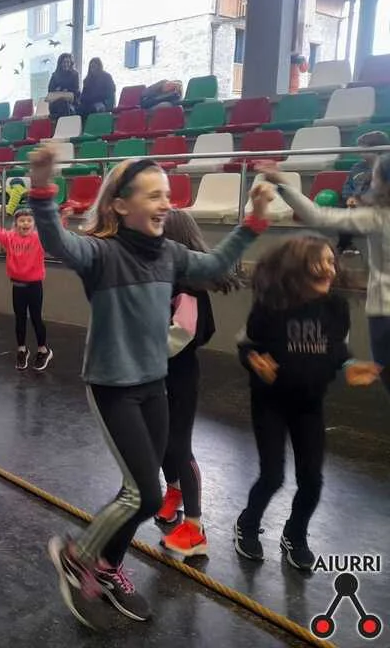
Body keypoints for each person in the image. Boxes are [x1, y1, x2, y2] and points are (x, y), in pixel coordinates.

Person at [27, 146, 274, 629]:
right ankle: (77, 555)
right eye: (154, 195)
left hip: (154, 385)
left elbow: (214, 264)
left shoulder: (169, 254)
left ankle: (107, 567)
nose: (166, 204)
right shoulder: (101, 254)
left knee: (145, 492)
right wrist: (41, 188)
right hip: (113, 387)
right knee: (141, 495)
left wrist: (254, 221)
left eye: (167, 195)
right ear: (120, 205)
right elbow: (57, 240)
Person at [234, 236, 380, 571]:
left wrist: (349, 366)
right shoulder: (270, 306)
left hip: (310, 405)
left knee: (312, 480)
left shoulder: (336, 308)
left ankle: (295, 535)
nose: (330, 269)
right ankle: (247, 524)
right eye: (320, 262)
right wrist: (254, 360)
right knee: (272, 476)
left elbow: (338, 351)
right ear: (296, 270)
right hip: (270, 403)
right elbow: (246, 345)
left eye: (332, 262)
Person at [258, 156, 390, 394]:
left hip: (385, 314)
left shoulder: (378, 217)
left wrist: (280, 181)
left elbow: (318, 216)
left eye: (376, 177)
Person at [155, 210, 243, 557]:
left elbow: (183, 334)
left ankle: (194, 527)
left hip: (179, 373)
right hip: (158, 373)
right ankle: (173, 490)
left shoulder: (187, 285)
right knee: (162, 439)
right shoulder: (164, 275)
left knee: (180, 445)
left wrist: (143, 351)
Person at [0, 202, 52, 371]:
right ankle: (22, 349)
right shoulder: (9, 238)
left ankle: (43, 350)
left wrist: (64, 217)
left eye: (29, 220)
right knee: (20, 318)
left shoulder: (39, 238)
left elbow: (55, 233)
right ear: (16, 223)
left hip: (34, 286)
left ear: (34, 223)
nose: (26, 223)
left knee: (36, 318)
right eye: (22, 220)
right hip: (18, 286)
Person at [338, 131, 388, 255]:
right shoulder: (357, 167)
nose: (359, 151)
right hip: (355, 201)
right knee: (341, 208)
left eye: (363, 148)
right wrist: (349, 197)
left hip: (376, 201)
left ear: (377, 149)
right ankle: (345, 245)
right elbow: (348, 184)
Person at [47, 53, 80, 120]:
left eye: (68, 62)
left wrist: (63, 90)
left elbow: (76, 90)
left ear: (71, 63)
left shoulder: (75, 74)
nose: (66, 64)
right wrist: (63, 91)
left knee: (66, 106)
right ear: (60, 63)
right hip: (56, 103)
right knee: (62, 105)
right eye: (64, 62)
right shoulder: (55, 75)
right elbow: (50, 90)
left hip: (71, 102)